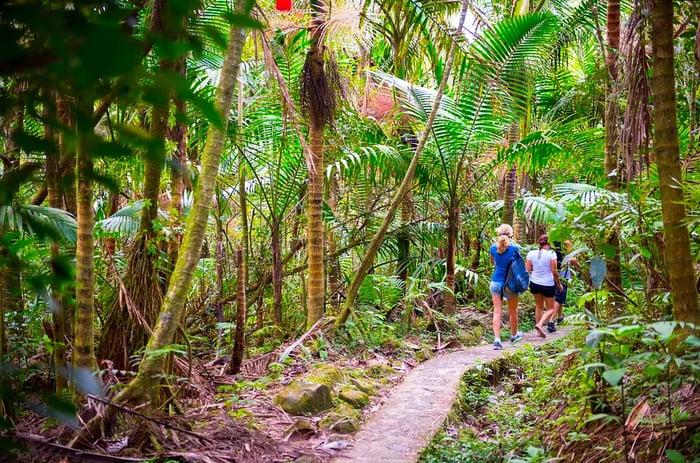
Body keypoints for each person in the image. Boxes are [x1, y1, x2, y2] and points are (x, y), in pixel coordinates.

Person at [489, 224, 523, 350]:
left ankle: (497, 340)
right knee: (513, 311)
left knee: (497, 311)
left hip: (496, 282)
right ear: (511, 235)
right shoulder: (515, 250)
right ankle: (514, 335)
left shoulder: (493, 248)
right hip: (511, 284)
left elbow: (493, 263)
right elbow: (519, 266)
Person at [526, 234, 563, 338]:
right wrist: (559, 284)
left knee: (539, 306)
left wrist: (526, 283)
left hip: (534, 283)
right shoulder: (552, 253)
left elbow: (527, 270)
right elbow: (554, 271)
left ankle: (538, 332)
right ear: (549, 243)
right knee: (550, 308)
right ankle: (540, 324)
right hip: (547, 284)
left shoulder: (531, 253)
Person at [553, 240, 580, 327]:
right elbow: (572, 260)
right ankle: (551, 320)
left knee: (560, 297)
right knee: (557, 298)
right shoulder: (565, 247)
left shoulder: (554, 248)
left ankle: (560, 317)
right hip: (562, 276)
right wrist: (578, 264)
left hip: (555, 275)